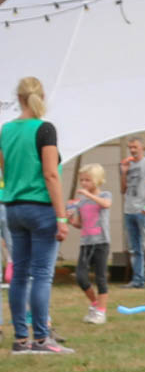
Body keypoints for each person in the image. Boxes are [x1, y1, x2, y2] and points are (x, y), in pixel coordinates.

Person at [2, 76, 73, 354]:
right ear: (41, 97)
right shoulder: (45, 129)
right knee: (42, 275)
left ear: (18, 98)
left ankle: (21, 339)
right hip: (40, 208)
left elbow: (4, 168)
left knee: (19, 275)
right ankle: (42, 338)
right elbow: (51, 174)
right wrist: (62, 217)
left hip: (13, 208)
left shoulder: (6, 130)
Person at [69, 163, 112, 323]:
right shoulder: (81, 202)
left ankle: (101, 312)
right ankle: (95, 304)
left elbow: (106, 204)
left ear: (97, 180)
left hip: (101, 242)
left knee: (101, 277)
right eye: (82, 180)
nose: (83, 183)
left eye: (87, 180)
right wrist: (70, 219)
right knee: (81, 277)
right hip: (85, 244)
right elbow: (80, 224)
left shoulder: (105, 195)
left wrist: (89, 195)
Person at [119, 137, 145, 287]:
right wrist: (124, 172)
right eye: (130, 147)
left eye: (135, 147)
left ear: (143, 148)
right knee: (134, 247)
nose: (132, 150)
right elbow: (123, 189)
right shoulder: (127, 165)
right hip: (129, 209)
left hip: (143, 211)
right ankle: (137, 279)